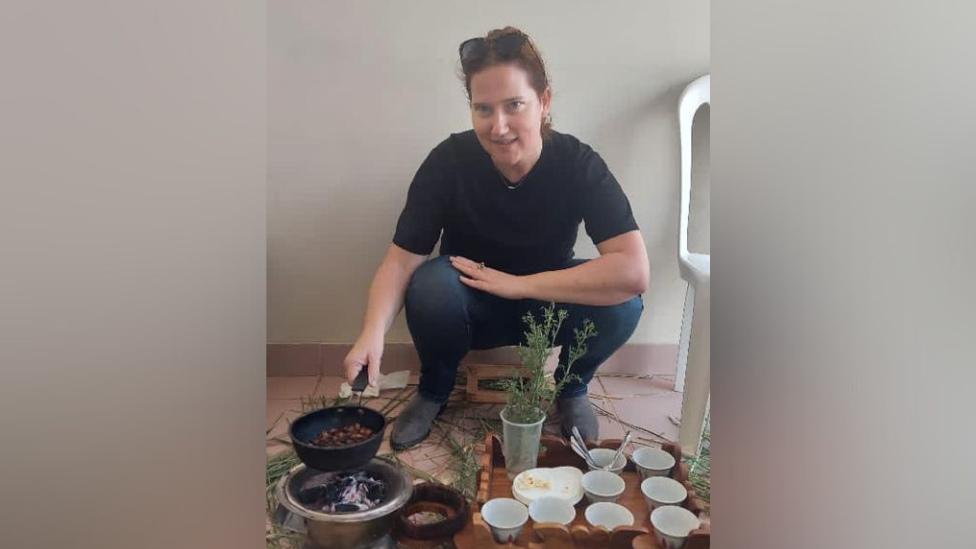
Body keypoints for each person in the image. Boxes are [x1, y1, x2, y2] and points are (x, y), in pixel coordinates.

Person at [343, 26, 650, 450]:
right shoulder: (447, 161)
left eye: (514, 105)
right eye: (483, 108)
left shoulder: (578, 163)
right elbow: (401, 260)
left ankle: (572, 389)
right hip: (470, 302)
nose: (498, 126)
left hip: (548, 302)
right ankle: (434, 389)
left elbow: (633, 271)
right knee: (430, 284)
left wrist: (519, 285)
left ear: (544, 102)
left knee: (624, 303)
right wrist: (371, 333)